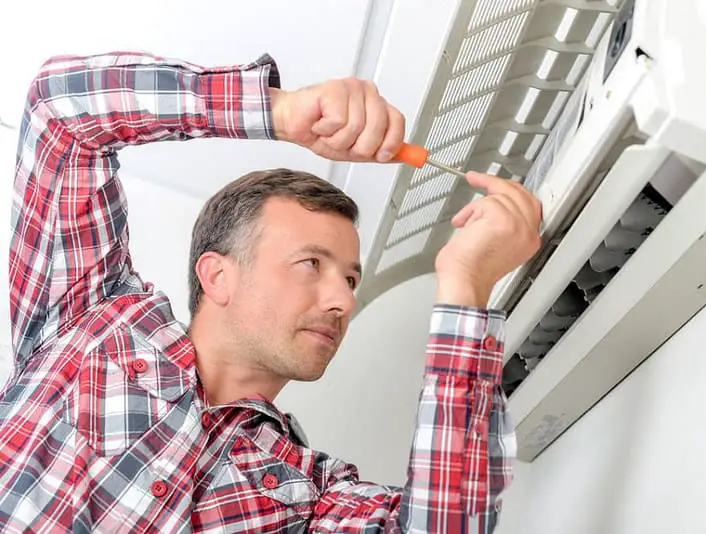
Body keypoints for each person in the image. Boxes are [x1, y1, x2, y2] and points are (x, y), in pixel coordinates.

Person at [0, 50, 542, 533]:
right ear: (217, 276)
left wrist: (465, 289)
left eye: (351, 279)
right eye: (312, 263)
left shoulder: (311, 497)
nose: (344, 301)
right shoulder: (90, 315)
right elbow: (61, 111)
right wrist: (282, 113)